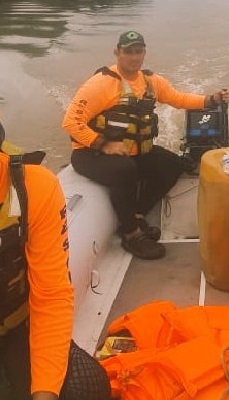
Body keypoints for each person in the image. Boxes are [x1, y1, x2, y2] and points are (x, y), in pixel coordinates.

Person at [62, 30, 229, 260]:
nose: (134, 57)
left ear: (144, 52)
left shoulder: (151, 82)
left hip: (130, 152)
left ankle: (138, 215)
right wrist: (103, 144)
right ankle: (131, 234)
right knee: (124, 170)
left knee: (173, 163)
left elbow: (178, 98)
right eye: (128, 52)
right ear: (117, 53)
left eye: (138, 51)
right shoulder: (100, 84)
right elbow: (71, 121)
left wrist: (211, 100)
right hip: (90, 154)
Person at [0, 121, 109, 400]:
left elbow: (50, 294)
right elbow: (73, 119)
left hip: (12, 329)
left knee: (84, 389)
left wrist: (45, 392)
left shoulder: (32, 187)